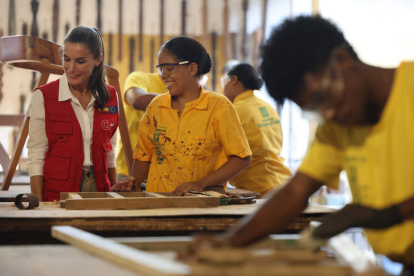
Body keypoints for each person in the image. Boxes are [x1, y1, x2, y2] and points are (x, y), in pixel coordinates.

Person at [197, 16, 414, 273]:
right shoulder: (338, 124)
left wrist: (389, 214)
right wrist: (228, 243)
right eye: (316, 110)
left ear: (343, 59)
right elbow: (296, 191)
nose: (330, 114)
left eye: (324, 96)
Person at [112, 36, 252, 196]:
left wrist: (200, 183)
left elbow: (241, 158)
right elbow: (144, 156)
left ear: (192, 68)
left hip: (201, 202)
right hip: (158, 201)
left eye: (169, 68)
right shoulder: (156, 107)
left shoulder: (219, 107)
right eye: (160, 69)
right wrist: (132, 182)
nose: (163, 75)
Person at [27, 26, 118, 202]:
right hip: (58, 194)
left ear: (98, 60)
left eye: (80, 61)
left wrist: (115, 196)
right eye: (67, 59)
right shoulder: (44, 96)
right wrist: (38, 206)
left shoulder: (110, 96)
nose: (71, 68)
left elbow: (110, 153)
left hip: (101, 192)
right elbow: (36, 154)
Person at [221, 63, 291, 196]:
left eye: (225, 82)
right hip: (282, 181)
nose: (223, 88)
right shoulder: (267, 106)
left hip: (257, 187)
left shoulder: (235, 110)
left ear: (234, 80)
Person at [115, 71, 167, 180]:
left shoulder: (203, 98)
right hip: (128, 169)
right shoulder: (140, 78)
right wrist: (178, 101)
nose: (165, 71)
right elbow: (137, 100)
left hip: (165, 174)